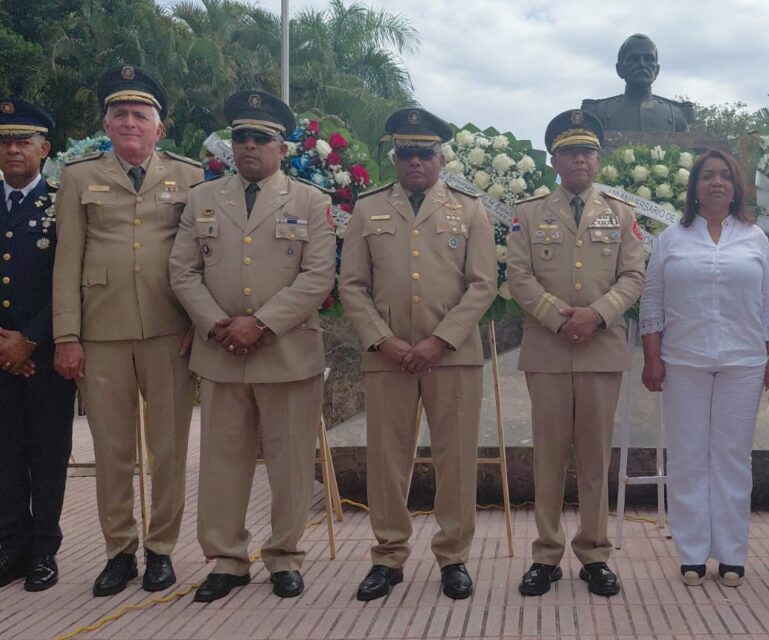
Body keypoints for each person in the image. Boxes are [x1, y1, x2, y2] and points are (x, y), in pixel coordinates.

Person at [168, 90, 335, 602]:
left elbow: (318, 277)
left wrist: (260, 323)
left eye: (261, 138)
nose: (248, 146)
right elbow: (182, 270)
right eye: (240, 136)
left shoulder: (312, 201)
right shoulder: (203, 197)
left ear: (281, 147)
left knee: (288, 464)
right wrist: (219, 324)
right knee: (222, 463)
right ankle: (226, 560)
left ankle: (284, 557)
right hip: (221, 352)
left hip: (285, 353)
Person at [51, 65, 202, 597]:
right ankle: (119, 551)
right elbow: (66, 261)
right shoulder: (76, 176)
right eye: (120, 114)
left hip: (170, 331)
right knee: (112, 450)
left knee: (168, 447)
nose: (130, 122)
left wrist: (200, 326)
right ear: (107, 125)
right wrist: (66, 336)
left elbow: (204, 259)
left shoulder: (191, 177)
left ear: (159, 128)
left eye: (141, 115)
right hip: (102, 332)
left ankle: (161, 549)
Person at [341, 107, 497, 602]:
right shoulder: (367, 209)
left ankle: (454, 557)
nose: (415, 162)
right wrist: (382, 339)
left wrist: (439, 340)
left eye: (424, 153)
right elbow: (352, 285)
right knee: (387, 460)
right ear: (394, 156)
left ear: (440, 157)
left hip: (450, 355)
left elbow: (482, 285)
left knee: (456, 459)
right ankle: (388, 557)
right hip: (386, 356)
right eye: (406, 153)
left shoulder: (470, 209)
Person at [506, 109, 646, 597]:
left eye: (587, 150)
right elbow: (518, 277)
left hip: (600, 350)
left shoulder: (621, 214)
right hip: (547, 349)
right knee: (547, 457)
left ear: (598, 159)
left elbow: (633, 275)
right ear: (554, 160)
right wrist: (557, 315)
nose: (580, 159)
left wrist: (598, 313)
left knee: (594, 458)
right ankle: (546, 555)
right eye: (570, 151)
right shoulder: (527, 214)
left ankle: (594, 554)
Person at [639, 149, 769, 588]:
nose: (717, 183)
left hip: (744, 361)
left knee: (732, 459)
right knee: (687, 458)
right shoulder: (672, 238)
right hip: (683, 360)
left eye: (725, 176)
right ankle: (691, 553)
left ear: (736, 186)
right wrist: (652, 356)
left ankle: (731, 553)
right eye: (707, 177)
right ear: (695, 187)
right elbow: (652, 299)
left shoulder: (754, 237)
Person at [0, 99, 76, 593]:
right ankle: (11, 550)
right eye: (3, 140)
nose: (12, 149)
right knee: (2, 453)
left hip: (45, 353)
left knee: (48, 452)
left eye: (23, 140)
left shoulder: (62, 205)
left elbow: (72, 279)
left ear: (44, 149)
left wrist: (29, 339)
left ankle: (44, 550)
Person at [580, 34, 694, 133]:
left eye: (649, 59)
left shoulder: (676, 114)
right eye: (634, 59)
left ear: (657, 71)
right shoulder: (598, 112)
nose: (642, 64)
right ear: (619, 69)